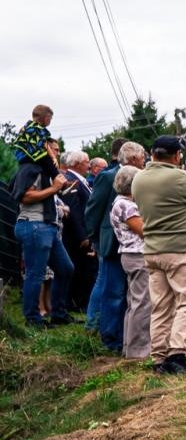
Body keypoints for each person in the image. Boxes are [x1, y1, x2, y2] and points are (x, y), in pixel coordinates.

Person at [131, 135, 186, 374]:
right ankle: (177, 354)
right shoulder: (179, 177)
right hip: (181, 250)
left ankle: (159, 358)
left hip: (153, 250)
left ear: (152, 152)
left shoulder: (139, 179)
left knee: (161, 306)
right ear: (176, 155)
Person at [11, 139, 75, 327]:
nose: (56, 153)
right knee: (35, 274)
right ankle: (33, 318)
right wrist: (54, 188)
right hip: (35, 225)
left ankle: (58, 313)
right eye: (53, 149)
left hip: (47, 226)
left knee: (65, 269)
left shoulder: (44, 171)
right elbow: (26, 196)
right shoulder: (32, 170)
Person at [84, 138, 129, 340]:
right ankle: (94, 324)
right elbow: (93, 208)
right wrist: (95, 237)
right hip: (109, 239)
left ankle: (105, 325)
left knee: (109, 284)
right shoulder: (108, 176)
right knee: (107, 284)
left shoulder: (136, 175)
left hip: (127, 241)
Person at [110, 165, 152, 363]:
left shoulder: (120, 203)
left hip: (130, 254)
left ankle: (130, 347)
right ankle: (139, 350)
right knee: (142, 303)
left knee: (134, 302)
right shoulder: (127, 206)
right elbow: (143, 230)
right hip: (137, 255)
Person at [57, 149, 97, 312]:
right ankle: (76, 302)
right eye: (87, 162)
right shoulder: (71, 180)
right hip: (76, 236)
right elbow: (74, 212)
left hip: (82, 233)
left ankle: (79, 302)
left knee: (84, 269)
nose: (89, 165)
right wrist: (83, 236)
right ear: (78, 164)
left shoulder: (79, 180)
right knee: (79, 269)